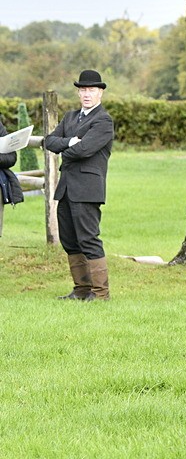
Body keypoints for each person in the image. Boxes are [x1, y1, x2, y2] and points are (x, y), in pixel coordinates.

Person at [43, 70, 114, 301]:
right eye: (83, 90)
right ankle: (82, 290)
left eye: (91, 90)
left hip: (87, 188)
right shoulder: (70, 117)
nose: (86, 94)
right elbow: (49, 141)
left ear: (100, 92)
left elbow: (84, 150)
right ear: (78, 92)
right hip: (66, 188)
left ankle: (100, 293)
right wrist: (70, 142)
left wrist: (67, 147)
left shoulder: (103, 120)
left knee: (88, 239)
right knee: (69, 240)